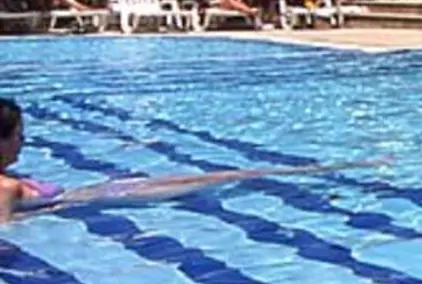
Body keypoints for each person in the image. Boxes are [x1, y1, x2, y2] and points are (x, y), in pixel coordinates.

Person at [1, 98, 393, 223]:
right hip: (99, 198)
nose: (24, 143)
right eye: (20, 136)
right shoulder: (5, 186)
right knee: (225, 177)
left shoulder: (8, 178)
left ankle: (328, 169)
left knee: (222, 176)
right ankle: (335, 169)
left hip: (97, 193)